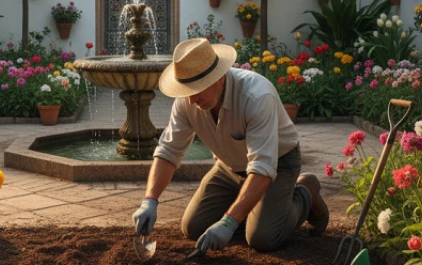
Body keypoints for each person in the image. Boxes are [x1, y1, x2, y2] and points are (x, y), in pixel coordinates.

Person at [131, 38, 329, 253]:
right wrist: (149, 200)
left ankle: (305, 192)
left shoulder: (256, 96)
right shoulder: (187, 101)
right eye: (187, 91)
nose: (191, 100)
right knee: (193, 228)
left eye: (197, 90)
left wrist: (228, 222)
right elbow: (169, 151)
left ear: (219, 79)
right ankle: (253, 210)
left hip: (277, 165)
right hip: (229, 167)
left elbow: (262, 167)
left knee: (263, 238)